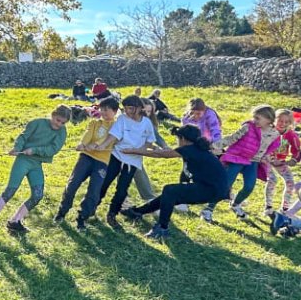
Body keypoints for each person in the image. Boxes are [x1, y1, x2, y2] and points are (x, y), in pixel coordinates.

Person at [118, 125, 230, 239]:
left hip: (211, 189)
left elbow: (161, 155)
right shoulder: (197, 148)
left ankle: (162, 228)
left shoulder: (189, 149)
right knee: (171, 195)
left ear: (182, 138)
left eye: (178, 139)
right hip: (217, 189)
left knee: (170, 190)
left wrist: (133, 151)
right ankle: (138, 212)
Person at [0, 105, 70, 235]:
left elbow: (53, 149)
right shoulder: (36, 123)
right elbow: (23, 136)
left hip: (36, 163)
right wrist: (17, 148)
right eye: (58, 120)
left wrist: (34, 150)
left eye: (63, 123)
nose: (59, 124)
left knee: (38, 195)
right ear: (52, 115)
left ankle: (15, 221)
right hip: (23, 160)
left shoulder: (62, 132)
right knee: (10, 192)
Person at [90, 96, 161, 228]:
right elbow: (114, 135)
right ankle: (92, 207)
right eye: (125, 108)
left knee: (122, 189)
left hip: (133, 161)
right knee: (104, 183)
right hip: (117, 156)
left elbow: (149, 142)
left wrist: (138, 150)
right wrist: (103, 145)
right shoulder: (122, 119)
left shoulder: (146, 123)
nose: (127, 111)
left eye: (130, 108)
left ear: (139, 108)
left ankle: (112, 214)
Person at [201, 105, 281, 222]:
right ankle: (208, 209)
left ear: (269, 120)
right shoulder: (248, 127)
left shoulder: (274, 134)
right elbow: (231, 138)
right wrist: (213, 146)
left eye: (258, 118)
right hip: (237, 158)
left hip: (253, 161)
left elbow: (271, 147)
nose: (255, 120)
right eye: (254, 117)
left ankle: (236, 204)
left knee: (249, 186)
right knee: (226, 184)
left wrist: (266, 157)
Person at [54, 96, 118, 229]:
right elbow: (88, 134)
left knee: (94, 191)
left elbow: (111, 138)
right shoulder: (94, 123)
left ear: (115, 111)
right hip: (86, 157)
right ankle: (62, 211)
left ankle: (82, 217)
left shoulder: (117, 125)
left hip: (102, 162)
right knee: (73, 184)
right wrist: (82, 144)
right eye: (102, 110)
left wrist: (98, 144)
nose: (104, 113)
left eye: (107, 110)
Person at [264, 109, 301, 215]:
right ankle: (268, 206)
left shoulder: (291, 135)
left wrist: (293, 159)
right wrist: (267, 157)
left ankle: (285, 208)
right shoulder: (269, 131)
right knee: (272, 180)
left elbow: (297, 149)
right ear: (275, 120)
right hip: (266, 159)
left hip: (281, 162)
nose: (283, 124)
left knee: (290, 183)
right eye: (280, 121)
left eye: (286, 122)